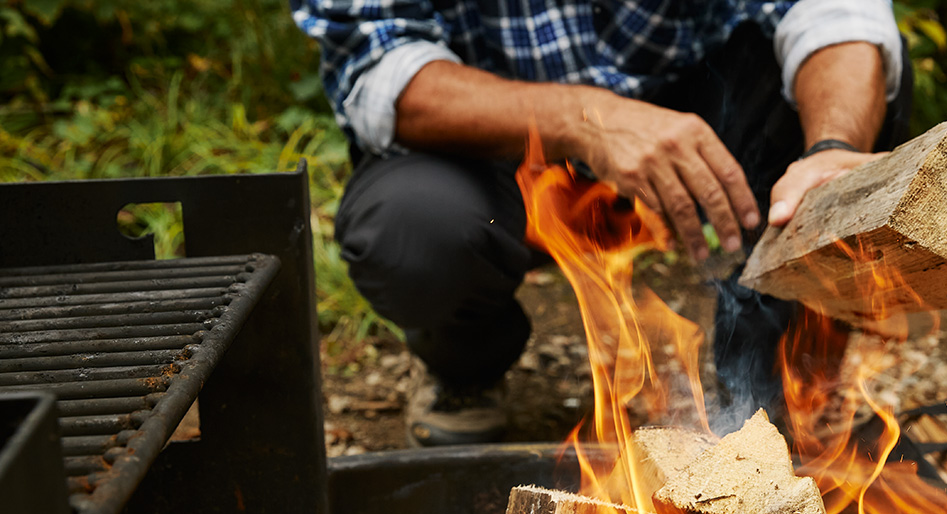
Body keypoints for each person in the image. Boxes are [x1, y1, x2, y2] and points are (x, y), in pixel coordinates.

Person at [291, 0, 911, 445]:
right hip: (498, 143)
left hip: (694, 110)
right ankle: (465, 367)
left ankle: (777, 386)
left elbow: (835, 12)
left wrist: (830, 147)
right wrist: (586, 119)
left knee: (855, 82)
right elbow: (381, 74)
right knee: (412, 228)